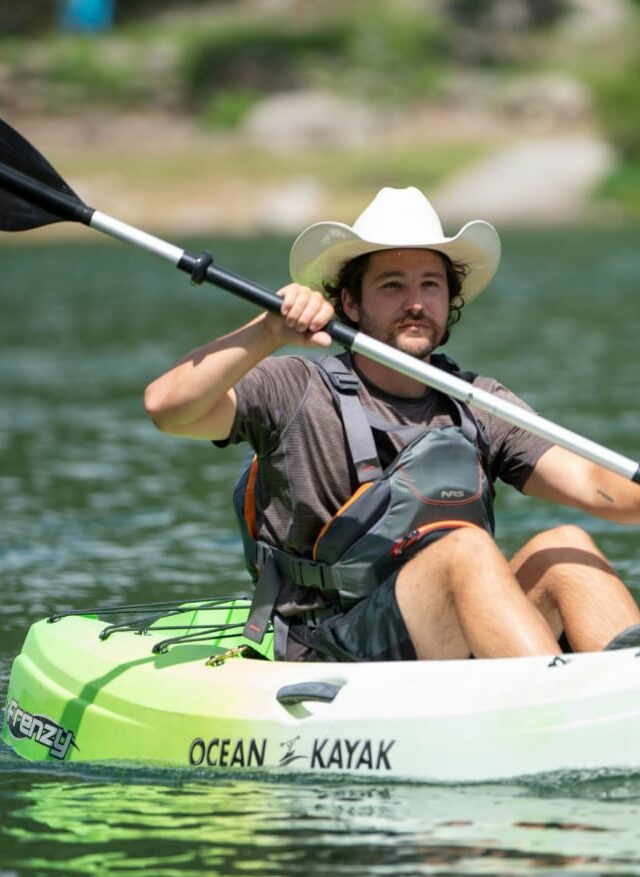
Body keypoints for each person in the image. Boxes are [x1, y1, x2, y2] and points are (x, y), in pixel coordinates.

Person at [144, 187, 640, 662]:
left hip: (440, 629)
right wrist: (269, 331)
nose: (416, 302)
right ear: (352, 304)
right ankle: (550, 705)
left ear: (450, 299)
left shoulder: (477, 401)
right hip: (329, 638)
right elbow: (167, 409)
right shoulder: (295, 387)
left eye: (430, 283)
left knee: (565, 547)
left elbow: (600, 487)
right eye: (392, 285)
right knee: (463, 547)